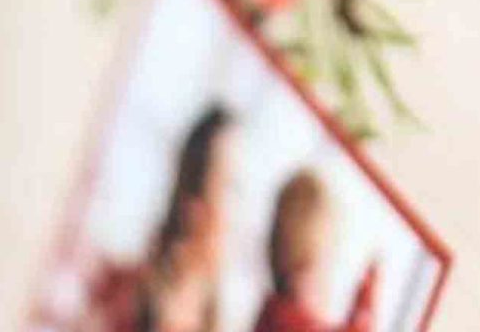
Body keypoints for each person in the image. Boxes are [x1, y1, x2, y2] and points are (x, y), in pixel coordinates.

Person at [83, 104, 236, 332]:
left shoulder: (213, 311)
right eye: (223, 181)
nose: (230, 208)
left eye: (234, 186)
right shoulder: (126, 292)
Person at [251, 171, 378, 332]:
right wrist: (369, 288)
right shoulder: (293, 325)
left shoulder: (271, 314)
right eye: (329, 264)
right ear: (307, 271)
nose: (330, 286)